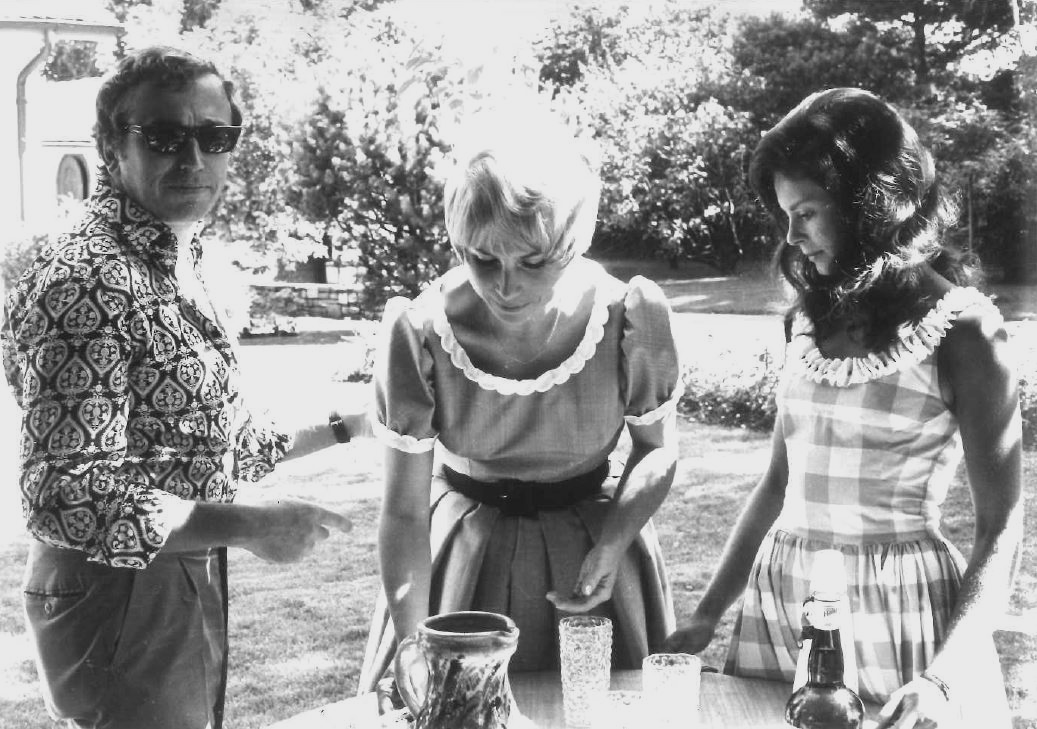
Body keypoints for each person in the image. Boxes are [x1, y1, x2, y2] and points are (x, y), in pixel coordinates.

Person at [1, 46, 363, 729]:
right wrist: (251, 524)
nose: (193, 159)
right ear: (111, 146)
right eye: (164, 136)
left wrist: (353, 424)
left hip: (168, 563)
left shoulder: (173, 258)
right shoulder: (95, 280)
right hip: (120, 586)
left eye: (214, 137)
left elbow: (207, 443)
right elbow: (66, 492)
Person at [664, 88, 1023, 729]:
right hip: (785, 602)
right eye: (785, 215)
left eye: (807, 212)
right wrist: (706, 613)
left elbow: (1001, 530)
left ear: (871, 205)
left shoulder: (967, 335)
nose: (794, 239)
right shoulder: (808, 321)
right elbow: (778, 484)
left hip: (901, 618)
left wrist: (944, 677)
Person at [357, 109, 680, 694]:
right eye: (483, 259)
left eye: (534, 262)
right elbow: (403, 511)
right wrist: (414, 642)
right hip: (464, 561)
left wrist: (614, 542)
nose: (506, 285)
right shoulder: (421, 329)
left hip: (594, 555)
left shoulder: (631, 314)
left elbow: (656, 451)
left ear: (575, 241)